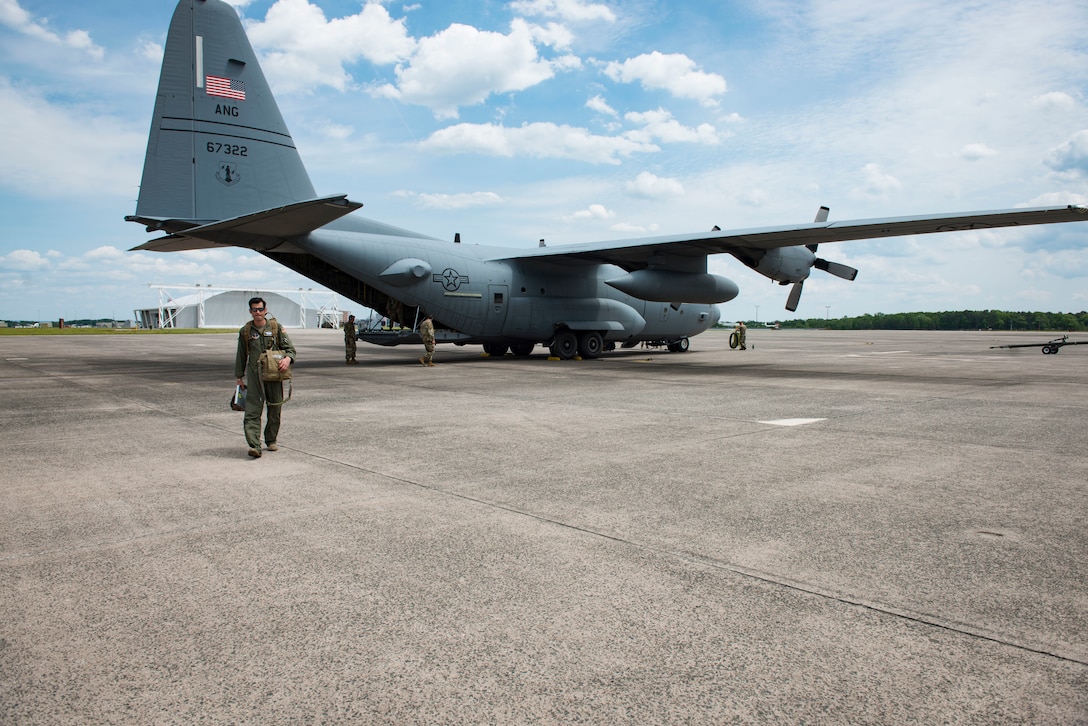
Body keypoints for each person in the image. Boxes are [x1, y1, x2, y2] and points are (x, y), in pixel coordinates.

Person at [234, 297, 296, 458]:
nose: (258, 312)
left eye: (260, 309)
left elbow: (290, 349)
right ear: (250, 311)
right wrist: (239, 377)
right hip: (255, 376)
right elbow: (241, 354)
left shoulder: (275, 328)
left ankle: (271, 439)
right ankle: (255, 445)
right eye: (254, 310)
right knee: (252, 410)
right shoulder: (246, 331)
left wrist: (287, 359)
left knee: (275, 408)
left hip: (274, 374)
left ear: (265, 309)